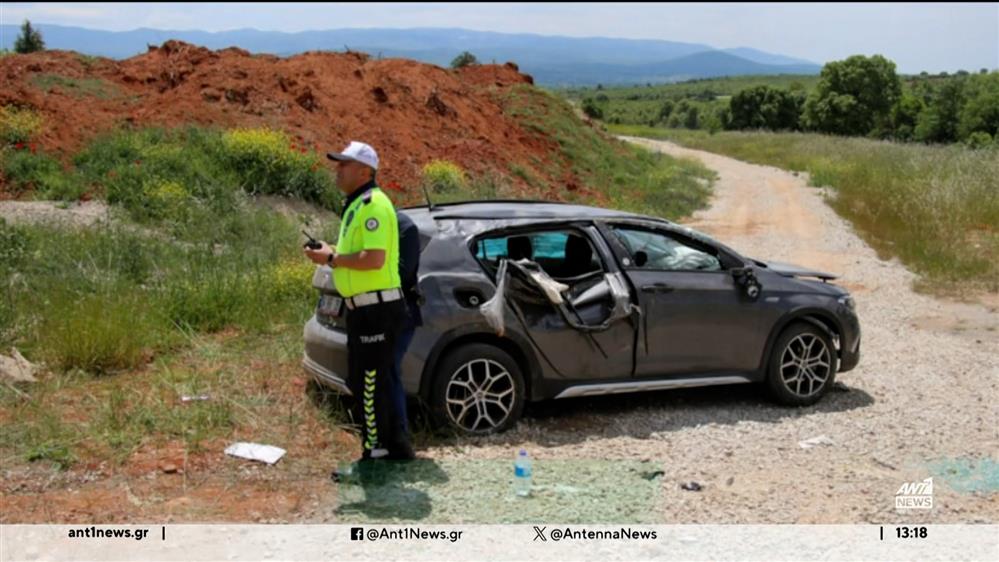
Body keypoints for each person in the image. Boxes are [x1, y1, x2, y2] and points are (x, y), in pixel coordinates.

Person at [303, 140, 413, 473]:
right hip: (364, 310)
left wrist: (333, 258)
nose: (338, 169)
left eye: (344, 165)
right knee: (364, 380)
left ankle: (375, 457)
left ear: (365, 171)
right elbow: (359, 255)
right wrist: (330, 249)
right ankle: (390, 450)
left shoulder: (374, 204)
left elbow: (373, 259)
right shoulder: (356, 206)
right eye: (338, 163)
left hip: (377, 311)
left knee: (369, 384)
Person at [393, 209, 423, 440]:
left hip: (398, 312)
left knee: (389, 375)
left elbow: (402, 273)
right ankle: (394, 436)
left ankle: (398, 435)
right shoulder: (399, 225)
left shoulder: (405, 227)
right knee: (386, 375)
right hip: (385, 313)